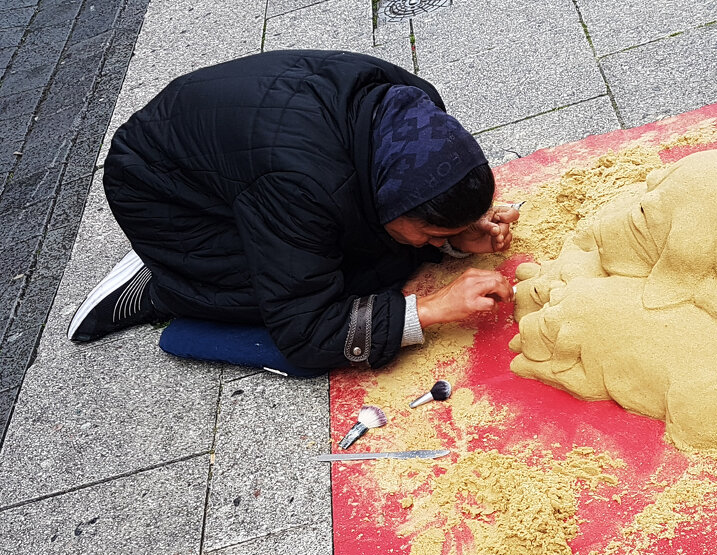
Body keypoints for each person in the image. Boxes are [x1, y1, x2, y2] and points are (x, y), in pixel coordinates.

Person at [68, 49, 517, 376]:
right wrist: (433, 308)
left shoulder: (415, 104)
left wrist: (456, 235)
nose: (432, 241)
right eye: (431, 230)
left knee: (379, 256)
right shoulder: (303, 185)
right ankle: (164, 285)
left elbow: (409, 193)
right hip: (164, 195)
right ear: (395, 200)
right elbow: (305, 334)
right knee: (343, 291)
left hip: (236, 164)